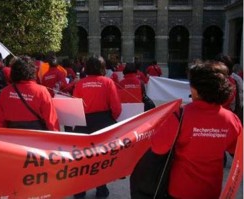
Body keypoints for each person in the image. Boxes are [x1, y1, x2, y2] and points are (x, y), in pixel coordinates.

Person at [131, 61, 242, 199]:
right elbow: (237, 152)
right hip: (211, 190)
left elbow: (158, 147)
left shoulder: (181, 114)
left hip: (180, 189)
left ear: (195, 89)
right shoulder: (232, 119)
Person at [72, 56, 122, 199]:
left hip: (84, 123)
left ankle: (80, 191)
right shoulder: (108, 82)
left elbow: (76, 106)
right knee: (102, 158)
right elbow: (116, 107)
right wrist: (110, 120)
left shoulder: (80, 84)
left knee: (82, 158)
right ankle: (101, 189)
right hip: (103, 122)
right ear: (102, 67)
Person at [0, 56, 60, 131]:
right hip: (37, 138)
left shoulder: (4, 93)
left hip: (12, 138)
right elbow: (51, 120)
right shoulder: (41, 91)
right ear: (32, 71)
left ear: (13, 72)